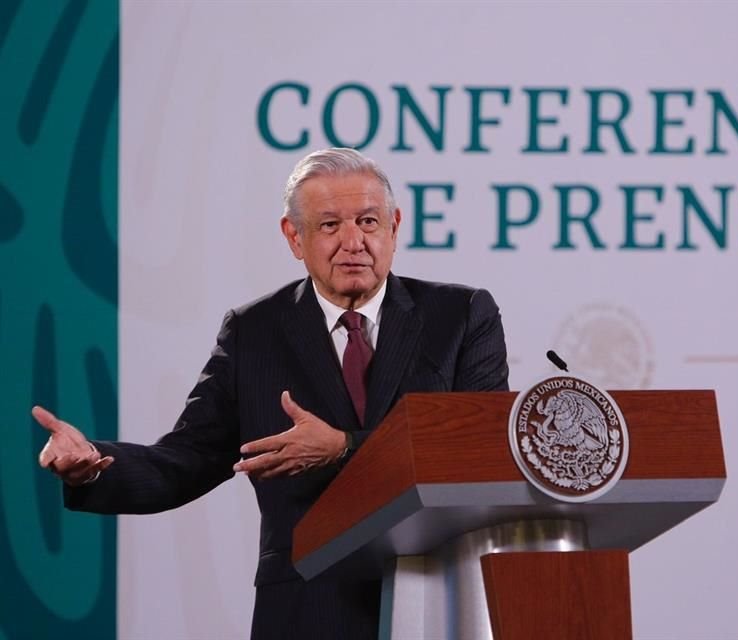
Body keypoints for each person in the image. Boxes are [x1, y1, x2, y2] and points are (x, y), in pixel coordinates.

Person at [32, 147, 510, 639]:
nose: (353, 241)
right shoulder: (253, 333)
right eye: (329, 226)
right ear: (293, 237)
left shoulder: (461, 315)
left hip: (441, 599)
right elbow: (185, 460)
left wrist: (344, 448)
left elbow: (483, 452)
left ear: (395, 226)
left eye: (368, 221)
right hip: (307, 608)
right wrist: (94, 463)